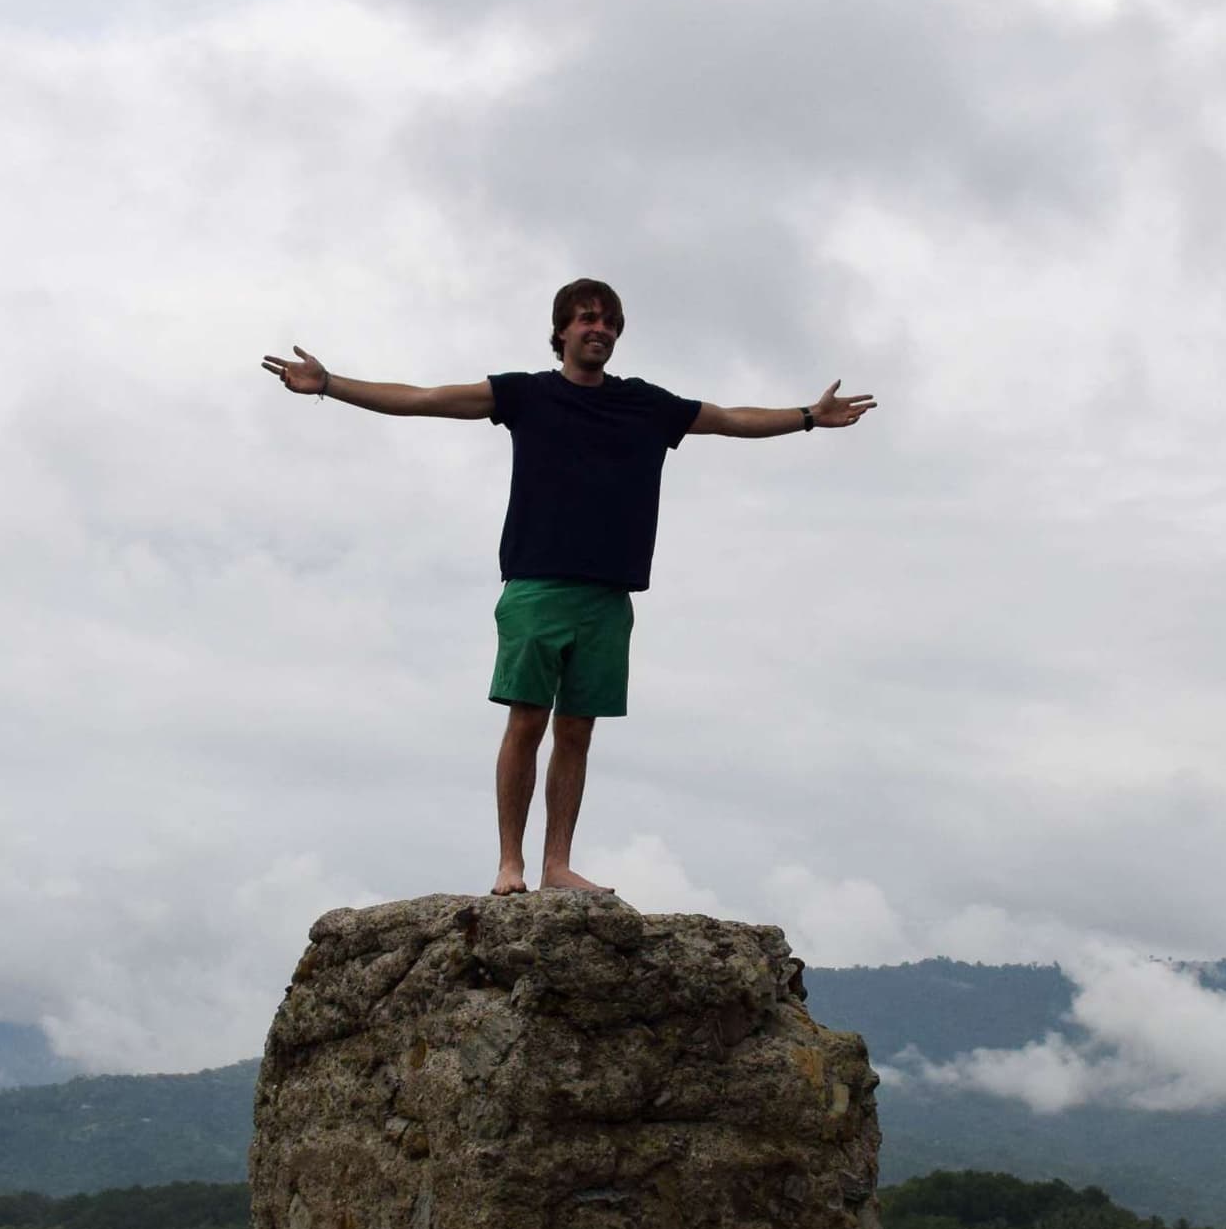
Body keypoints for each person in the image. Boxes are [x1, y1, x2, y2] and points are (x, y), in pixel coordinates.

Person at [261, 278, 875, 895]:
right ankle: (511, 864)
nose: (598, 329)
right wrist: (332, 384)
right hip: (536, 584)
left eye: (609, 321)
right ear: (561, 331)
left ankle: (557, 865)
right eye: (586, 318)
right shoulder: (526, 395)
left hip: (609, 594)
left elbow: (727, 418)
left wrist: (807, 419)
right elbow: (426, 398)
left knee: (576, 732)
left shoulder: (645, 404)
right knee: (527, 721)